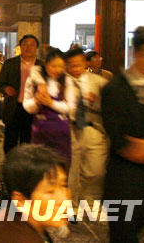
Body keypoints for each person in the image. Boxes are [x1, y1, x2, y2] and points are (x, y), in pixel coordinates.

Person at [101, 26, 144, 243]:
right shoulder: (114, 89)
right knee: (123, 234)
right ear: (136, 53)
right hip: (124, 179)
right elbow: (120, 139)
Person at [0, 144, 70, 243]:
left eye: (63, 185)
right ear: (21, 201)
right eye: (50, 192)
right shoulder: (20, 237)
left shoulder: (10, 216)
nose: (63, 199)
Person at [64, 47, 109, 202]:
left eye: (78, 64)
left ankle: (86, 195)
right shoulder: (62, 82)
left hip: (92, 127)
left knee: (96, 170)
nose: (75, 68)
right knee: (71, 169)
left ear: (84, 63)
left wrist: (94, 102)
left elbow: (109, 107)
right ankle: (72, 202)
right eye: (71, 65)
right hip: (69, 128)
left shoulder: (99, 82)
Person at [23, 48, 77, 163]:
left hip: (61, 133)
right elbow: (27, 106)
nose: (57, 70)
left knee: (61, 166)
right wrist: (36, 101)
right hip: (40, 131)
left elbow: (70, 108)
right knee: (41, 168)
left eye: (61, 66)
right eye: (53, 66)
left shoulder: (67, 81)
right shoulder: (34, 80)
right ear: (45, 64)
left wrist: (51, 103)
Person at [0, 34, 44, 154]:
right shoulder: (10, 63)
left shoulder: (42, 65)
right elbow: (0, 84)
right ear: (20, 47)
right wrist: (6, 88)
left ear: (36, 48)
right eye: (25, 44)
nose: (28, 47)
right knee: (10, 140)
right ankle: (9, 165)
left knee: (28, 140)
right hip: (14, 106)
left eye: (32, 45)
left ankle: (24, 167)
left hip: (33, 109)